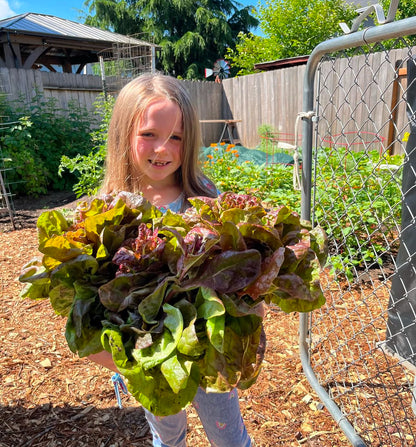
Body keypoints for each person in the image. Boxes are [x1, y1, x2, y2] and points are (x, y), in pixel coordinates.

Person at [88, 73, 253, 447]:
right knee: (168, 435)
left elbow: (240, 273)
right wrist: (126, 360)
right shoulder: (108, 214)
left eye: (175, 137)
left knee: (229, 436)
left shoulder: (206, 198)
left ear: (189, 140)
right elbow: (89, 303)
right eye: (148, 134)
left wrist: (250, 314)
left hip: (209, 354)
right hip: (152, 359)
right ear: (122, 135)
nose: (162, 149)